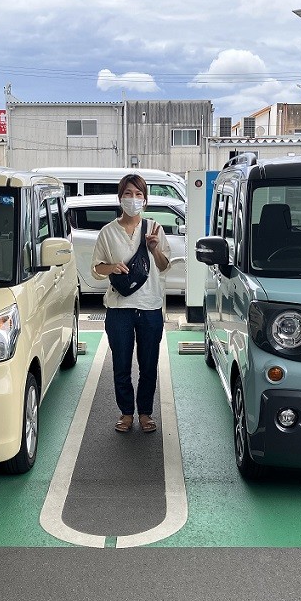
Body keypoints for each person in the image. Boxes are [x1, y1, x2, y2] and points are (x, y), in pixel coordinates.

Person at [91, 174, 171, 433]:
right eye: (128, 194)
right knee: (121, 365)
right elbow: (96, 268)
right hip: (119, 308)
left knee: (148, 365)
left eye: (138, 194)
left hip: (150, 307)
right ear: (120, 198)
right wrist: (112, 267)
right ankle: (126, 413)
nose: (133, 199)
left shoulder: (154, 228)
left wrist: (154, 248)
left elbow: (164, 266)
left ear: (145, 200)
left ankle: (145, 413)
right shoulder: (108, 232)